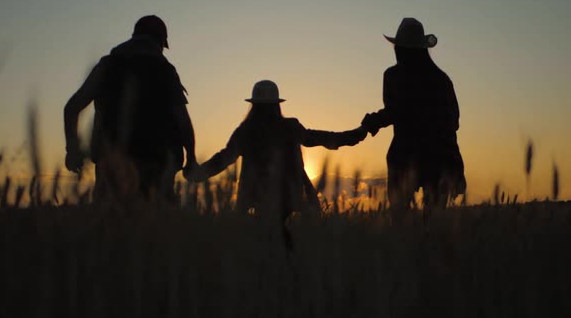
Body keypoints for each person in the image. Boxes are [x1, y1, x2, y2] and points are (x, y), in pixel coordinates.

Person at [185, 80, 369, 248]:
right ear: (277, 105)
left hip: (257, 196)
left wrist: (198, 174)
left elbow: (224, 158)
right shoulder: (289, 127)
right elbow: (321, 138)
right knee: (281, 240)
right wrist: (354, 135)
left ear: (254, 105)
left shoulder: (246, 130)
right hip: (289, 195)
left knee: (265, 241)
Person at [64, 15, 196, 200]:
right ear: (160, 41)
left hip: (110, 165)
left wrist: (73, 149)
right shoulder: (164, 70)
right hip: (156, 166)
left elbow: (71, 108)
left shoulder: (107, 66)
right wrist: (191, 158)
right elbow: (182, 119)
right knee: (155, 226)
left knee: (112, 226)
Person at [362, 18, 466, 219]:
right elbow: (454, 121)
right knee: (435, 221)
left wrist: (372, 122)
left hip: (404, 154)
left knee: (400, 220)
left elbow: (394, 110)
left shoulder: (393, 76)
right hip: (440, 156)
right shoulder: (441, 79)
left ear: (401, 49)